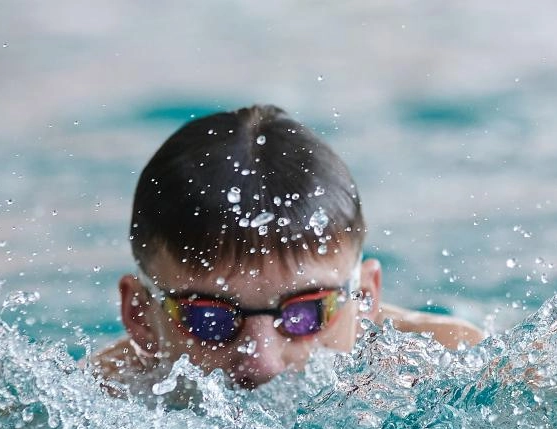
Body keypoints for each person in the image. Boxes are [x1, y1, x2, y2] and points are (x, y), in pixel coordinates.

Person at [94, 104, 483, 392]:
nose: (261, 363)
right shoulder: (105, 396)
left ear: (364, 298)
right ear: (140, 315)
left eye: (308, 312)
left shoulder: (452, 364)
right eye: (209, 319)